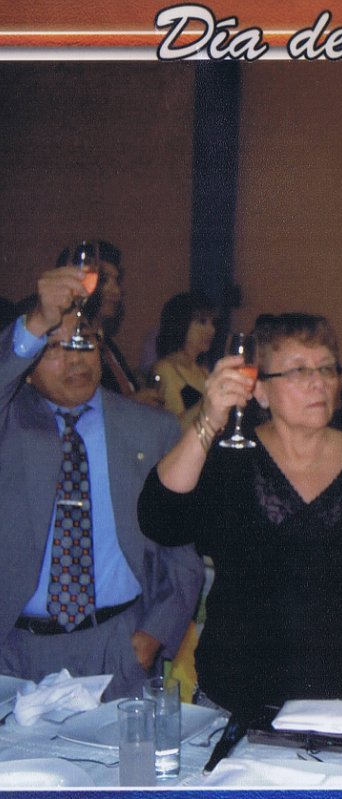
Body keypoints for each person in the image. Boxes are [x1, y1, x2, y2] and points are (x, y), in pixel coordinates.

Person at [137, 313, 342, 739]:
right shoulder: (232, 461)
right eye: (298, 371)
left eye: (327, 369)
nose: (319, 383)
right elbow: (160, 519)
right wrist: (209, 419)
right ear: (259, 389)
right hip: (239, 699)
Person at [0, 268, 204, 700]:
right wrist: (34, 324)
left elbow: (181, 555)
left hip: (117, 647)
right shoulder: (10, 422)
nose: (76, 359)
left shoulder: (152, 429)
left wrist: (152, 638)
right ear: (28, 368)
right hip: (15, 653)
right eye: (54, 347)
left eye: (85, 342)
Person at [57, 241, 162, 408]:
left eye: (117, 280)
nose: (116, 291)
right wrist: (130, 405)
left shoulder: (107, 344)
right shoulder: (64, 346)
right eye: (103, 280)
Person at [151, 292, 217, 430]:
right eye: (202, 322)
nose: (211, 330)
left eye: (212, 323)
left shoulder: (203, 371)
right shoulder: (165, 369)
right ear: (181, 324)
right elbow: (173, 428)